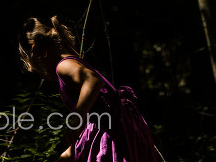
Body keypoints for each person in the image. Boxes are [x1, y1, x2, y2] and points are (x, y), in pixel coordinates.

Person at [18, 16, 160, 162]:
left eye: (35, 66)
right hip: (123, 131)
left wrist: (75, 119)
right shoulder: (75, 63)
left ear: (37, 51)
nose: (41, 73)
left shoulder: (64, 66)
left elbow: (92, 80)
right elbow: (91, 135)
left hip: (115, 135)